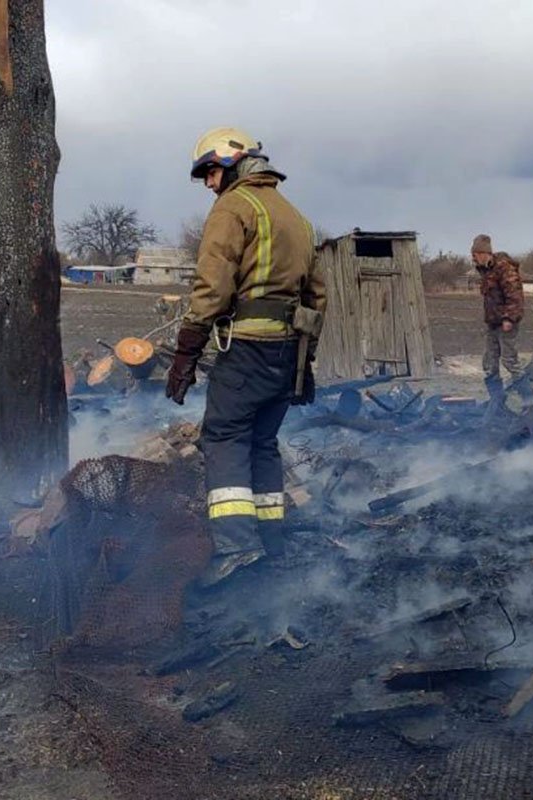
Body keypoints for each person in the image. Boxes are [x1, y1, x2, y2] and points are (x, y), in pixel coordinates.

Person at [165, 127, 326, 586]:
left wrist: (186, 353)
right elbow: (318, 298)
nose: (209, 185)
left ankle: (236, 547)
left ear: (231, 163)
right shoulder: (298, 218)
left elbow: (212, 288)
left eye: (210, 173)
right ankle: (270, 541)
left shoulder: (234, 207)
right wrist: (306, 359)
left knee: (224, 438)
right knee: (262, 442)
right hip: (287, 353)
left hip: (247, 350)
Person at [470, 234, 533, 409]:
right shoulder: (486, 271)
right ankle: (497, 403)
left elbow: (515, 296)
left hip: (507, 323)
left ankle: (531, 402)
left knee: (509, 361)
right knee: (489, 364)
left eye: (475, 254)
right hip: (492, 323)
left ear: (484, 253)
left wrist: (508, 318)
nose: (473, 259)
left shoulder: (504, 268)